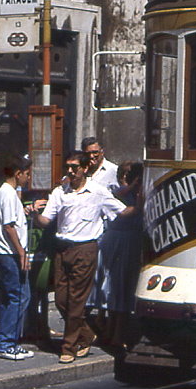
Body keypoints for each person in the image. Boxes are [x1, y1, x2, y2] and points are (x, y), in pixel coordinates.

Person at [32, 150, 138, 364]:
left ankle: (68, 346)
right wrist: (34, 214)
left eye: (74, 167)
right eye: (67, 167)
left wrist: (140, 204)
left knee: (77, 301)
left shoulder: (98, 192)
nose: (70, 171)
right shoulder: (59, 192)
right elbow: (46, 220)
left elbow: (122, 212)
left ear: (85, 168)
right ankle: (86, 334)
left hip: (86, 249)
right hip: (62, 249)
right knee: (62, 299)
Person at [87, 161, 144, 352]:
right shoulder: (118, 192)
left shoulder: (139, 194)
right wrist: (134, 186)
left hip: (131, 241)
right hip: (119, 242)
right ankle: (113, 333)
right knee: (115, 287)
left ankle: (114, 331)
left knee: (122, 290)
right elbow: (118, 196)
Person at [0, 156, 42, 361]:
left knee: (10, 298)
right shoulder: (8, 194)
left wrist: (25, 210)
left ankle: (8, 340)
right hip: (9, 254)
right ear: (17, 173)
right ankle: (5, 342)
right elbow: (8, 226)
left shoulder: (8, 193)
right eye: (27, 174)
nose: (28, 178)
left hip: (4, 253)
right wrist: (22, 253)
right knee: (20, 297)